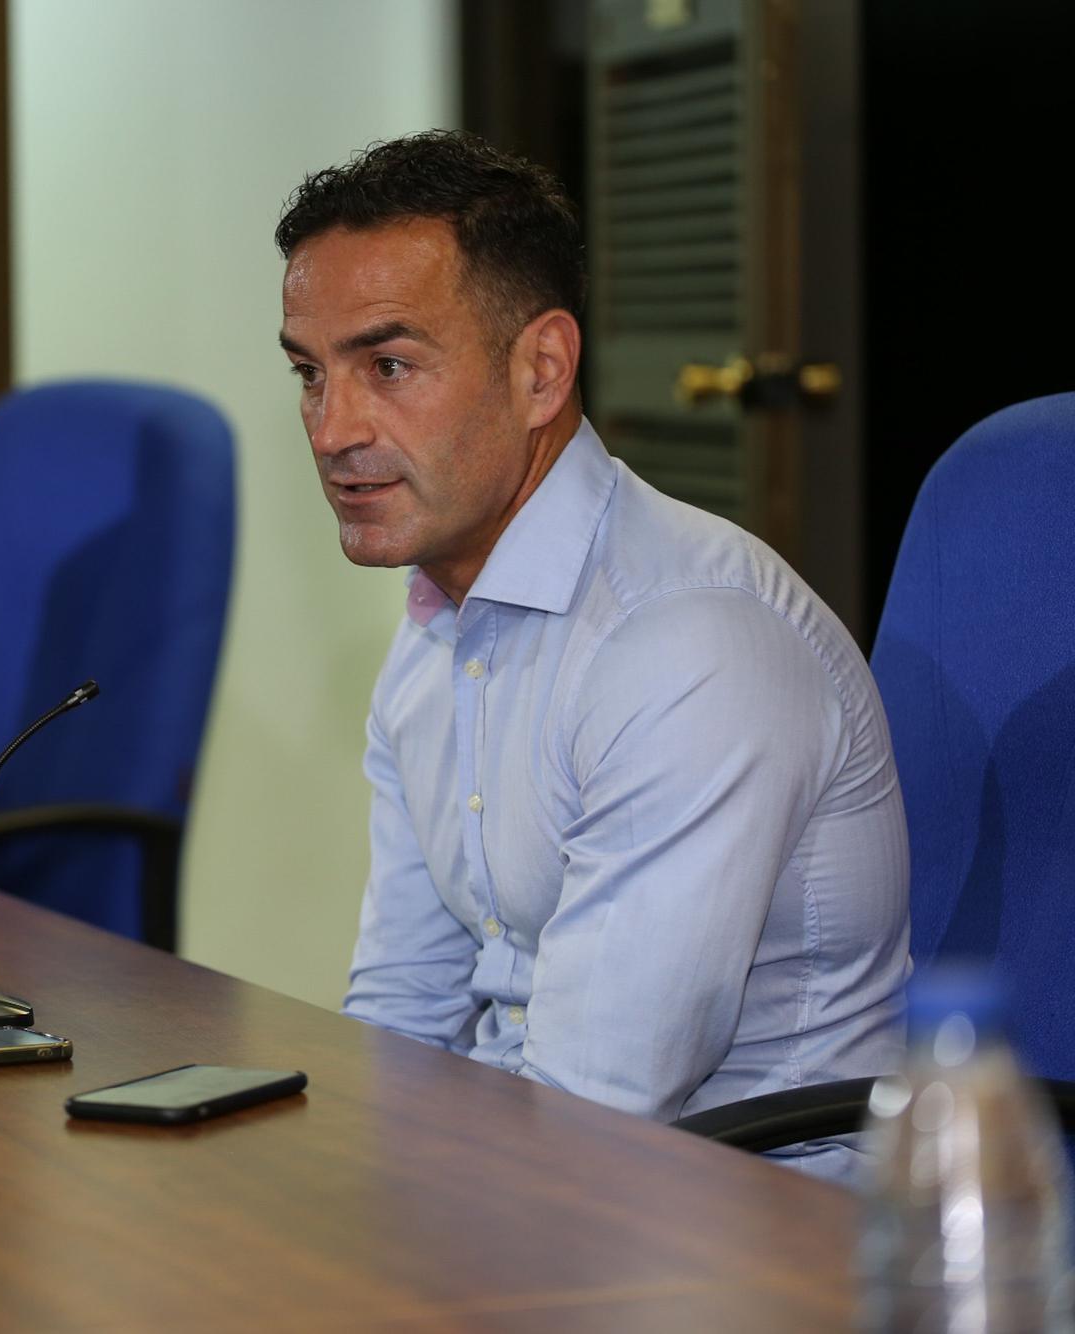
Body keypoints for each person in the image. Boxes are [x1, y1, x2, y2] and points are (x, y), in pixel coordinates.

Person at [275, 132, 908, 1179]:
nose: (331, 427)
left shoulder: (687, 645)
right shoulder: (435, 621)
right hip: (538, 1191)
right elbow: (400, 1014)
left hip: (755, 1229)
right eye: (309, 373)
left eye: (386, 365)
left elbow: (595, 1106)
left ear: (540, 369)